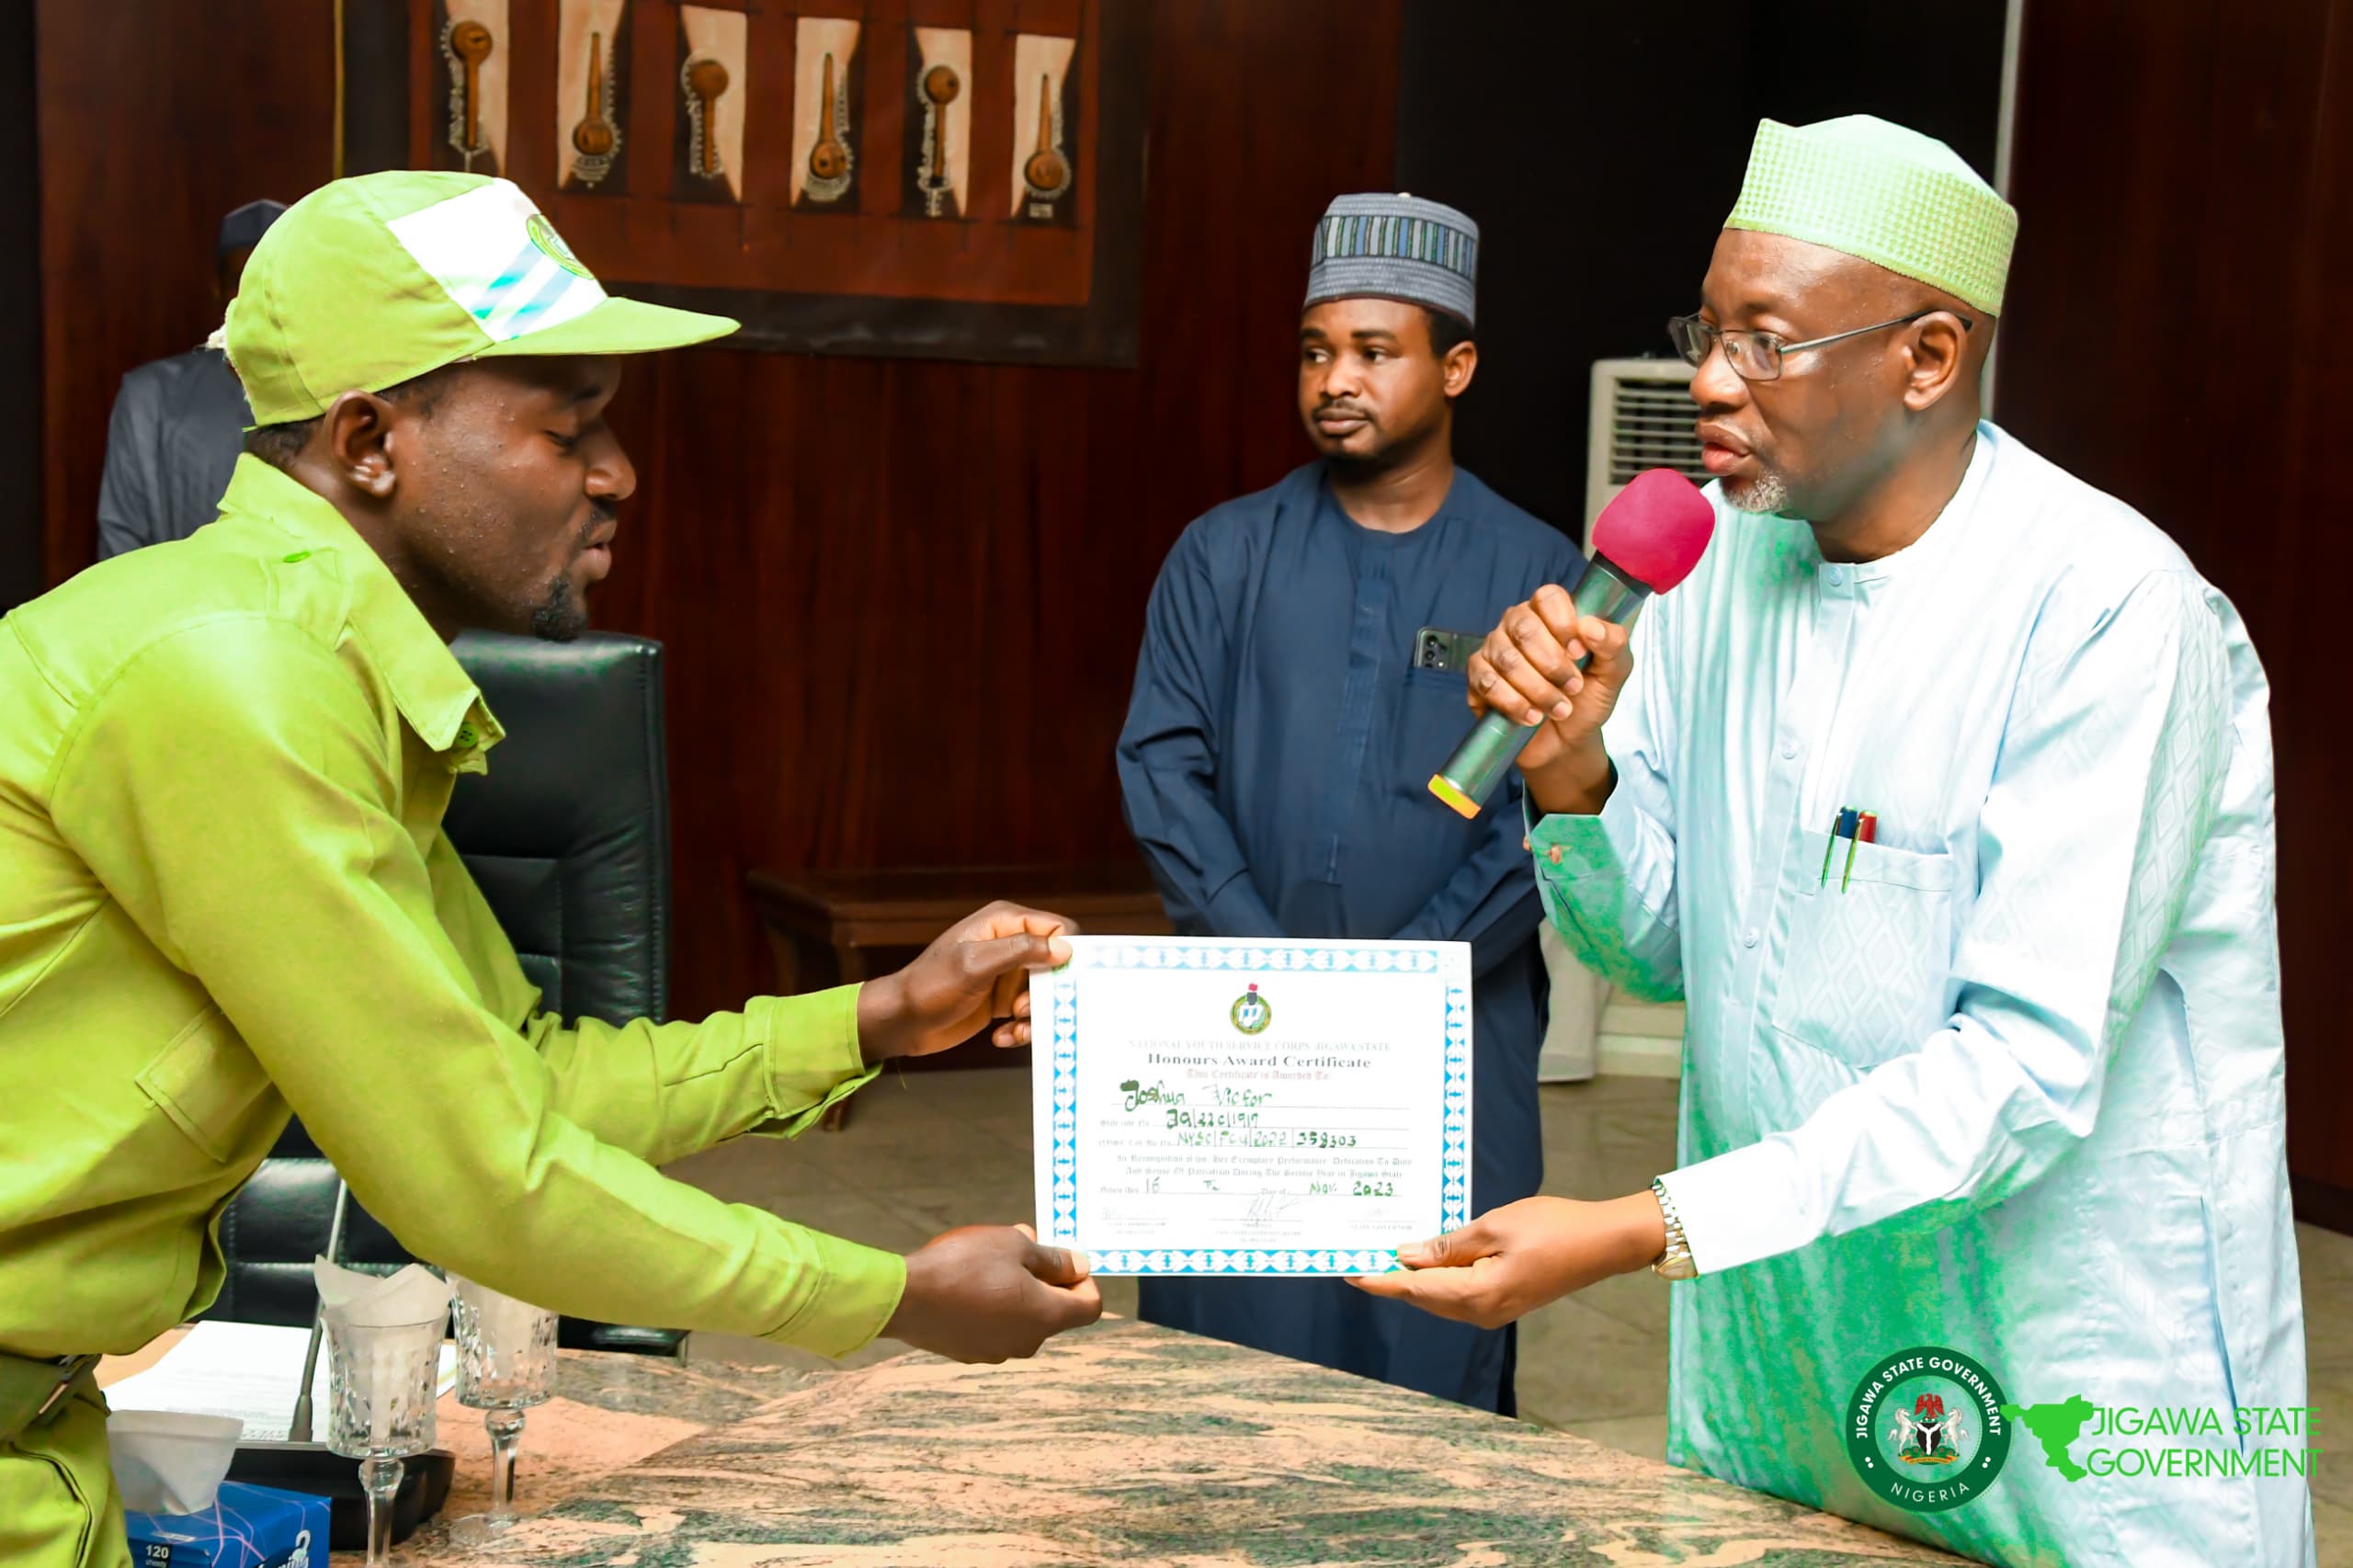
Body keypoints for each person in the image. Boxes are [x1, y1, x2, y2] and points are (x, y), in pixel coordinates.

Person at [0, 171, 1100, 1568]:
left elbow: (525, 1080)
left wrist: (874, 1016)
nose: (617, 473)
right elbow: (483, 1174)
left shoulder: (318, 672)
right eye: (567, 424)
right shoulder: (232, 677)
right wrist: (885, 1293)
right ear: (368, 440)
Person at [1358, 117, 2312, 1564]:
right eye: (1707, 327)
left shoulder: (2109, 609)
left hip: (2069, 1362)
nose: (1710, 383)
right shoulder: (1719, 566)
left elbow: (2026, 1070)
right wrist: (1573, 776)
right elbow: (1662, 950)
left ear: (1927, 357)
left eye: (1766, 340)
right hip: (1793, 1344)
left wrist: (1632, 1227)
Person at [1117, 193, 1582, 1414]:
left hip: (1452, 1044)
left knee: (1425, 1355)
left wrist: (1393, 987)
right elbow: (1161, 765)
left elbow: (1550, 820)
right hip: (1241, 1026)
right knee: (1225, 1361)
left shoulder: (1540, 577)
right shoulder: (1223, 555)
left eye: (1376, 351)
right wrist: (1262, 958)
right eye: (1318, 350)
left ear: (1457, 365)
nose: (1338, 379)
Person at [96, 199, 286, 559]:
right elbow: (121, 543)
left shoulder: (339, 395)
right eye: (239, 281)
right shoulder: (152, 398)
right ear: (217, 287)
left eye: (272, 282)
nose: (256, 299)